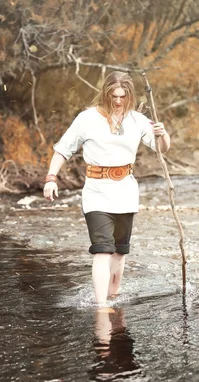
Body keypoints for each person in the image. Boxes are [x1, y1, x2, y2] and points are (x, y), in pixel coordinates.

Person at [42, 71, 170, 306]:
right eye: (114, 95)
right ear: (106, 93)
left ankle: (113, 296)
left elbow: (162, 148)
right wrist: (51, 177)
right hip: (96, 192)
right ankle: (101, 306)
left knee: (119, 252)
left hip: (126, 191)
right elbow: (63, 149)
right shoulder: (87, 118)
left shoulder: (137, 120)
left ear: (130, 95)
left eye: (123, 96)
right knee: (102, 250)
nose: (118, 101)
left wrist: (163, 134)